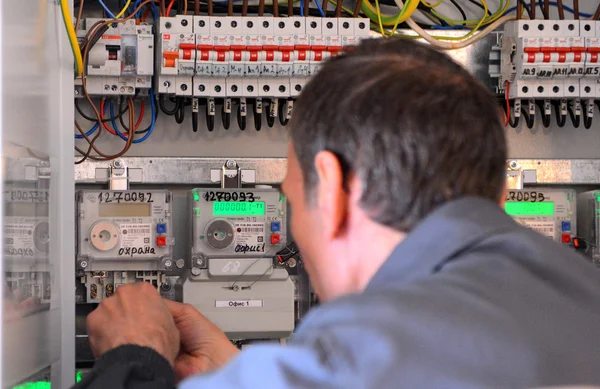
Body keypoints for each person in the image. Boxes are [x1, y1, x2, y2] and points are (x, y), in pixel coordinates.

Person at [74, 38, 600, 389]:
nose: (297, 232)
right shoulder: (578, 288)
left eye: (294, 199)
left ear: (336, 190)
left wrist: (135, 359)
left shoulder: (369, 347)